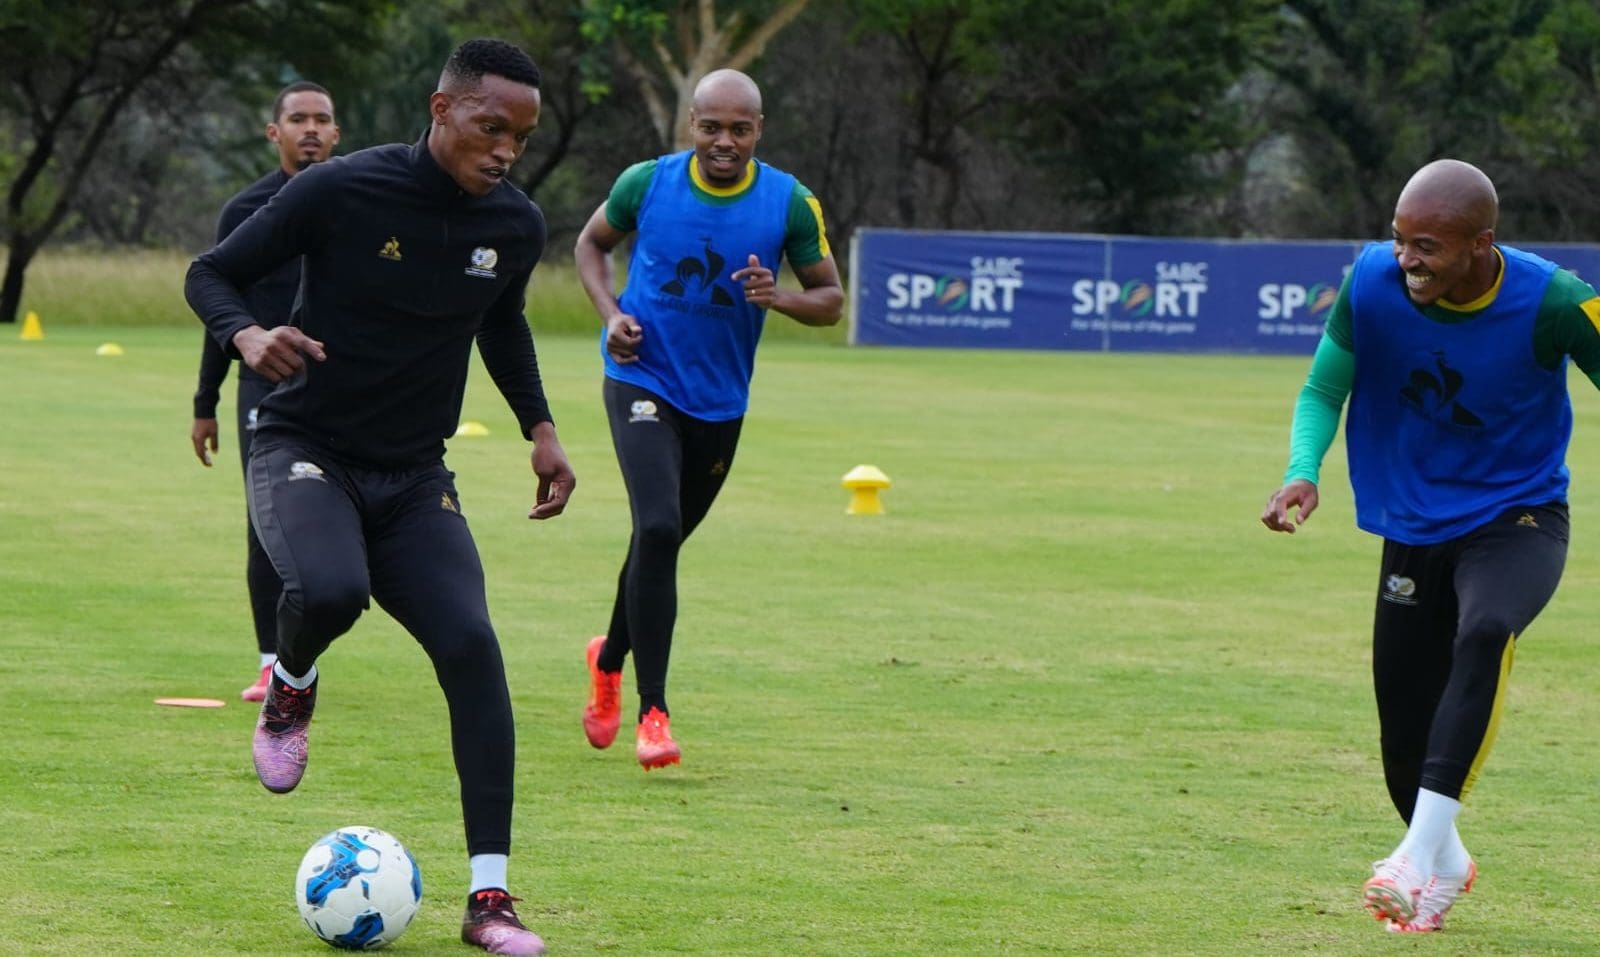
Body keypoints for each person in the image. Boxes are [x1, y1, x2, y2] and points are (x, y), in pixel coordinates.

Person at [185, 39, 572, 956]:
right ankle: (292, 682)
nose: (506, 149)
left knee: (475, 647)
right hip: (303, 443)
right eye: (490, 127)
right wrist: (245, 338)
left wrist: (541, 427)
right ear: (442, 111)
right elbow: (212, 272)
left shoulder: (515, 226)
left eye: (520, 135)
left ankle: (491, 899)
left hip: (413, 477)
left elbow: (504, 321)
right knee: (329, 591)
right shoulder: (340, 189)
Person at [1261, 158, 1600, 934]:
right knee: (1403, 743)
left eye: (1428, 246)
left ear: (1482, 244)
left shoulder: (1557, 301)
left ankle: (1411, 861)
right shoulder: (1372, 281)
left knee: (1484, 630)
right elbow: (1323, 388)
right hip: (1413, 530)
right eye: (1399, 240)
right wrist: (1301, 472)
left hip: (1519, 518)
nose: (1407, 260)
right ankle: (1444, 858)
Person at [572, 68, 843, 770]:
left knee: (658, 545)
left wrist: (777, 298)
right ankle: (653, 713)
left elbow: (832, 299)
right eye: (712, 126)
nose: (725, 141)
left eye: (740, 129)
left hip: (720, 402)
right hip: (641, 377)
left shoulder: (791, 204)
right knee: (656, 527)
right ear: (691, 124)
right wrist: (612, 317)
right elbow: (590, 245)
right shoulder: (646, 183)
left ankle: (609, 657)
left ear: (759, 130)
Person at [190, 81, 340, 703]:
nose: (310, 128)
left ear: (336, 135)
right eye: (297, 118)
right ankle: (270, 660)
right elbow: (222, 313)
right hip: (266, 389)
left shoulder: (358, 201)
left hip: (340, 388)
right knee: (266, 521)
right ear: (274, 132)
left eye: (322, 120)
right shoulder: (244, 211)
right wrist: (206, 403)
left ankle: (306, 646)